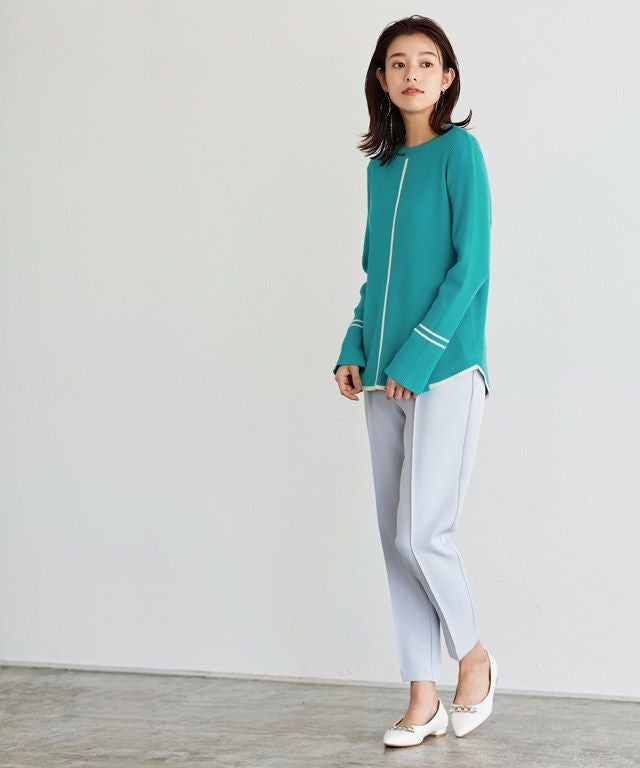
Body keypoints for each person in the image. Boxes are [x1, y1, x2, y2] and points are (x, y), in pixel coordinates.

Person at [332, 16, 499, 748]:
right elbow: (376, 274)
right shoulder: (381, 167)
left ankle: (474, 657)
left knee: (423, 531)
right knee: (395, 541)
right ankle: (421, 697)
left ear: (447, 77)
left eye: (426, 62)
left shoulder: (461, 152)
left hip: (446, 369)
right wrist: (354, 346)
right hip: (382, 378)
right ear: (381, 78)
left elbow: (472, 267)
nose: (412, 75)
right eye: (398, 63)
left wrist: (417, 357)